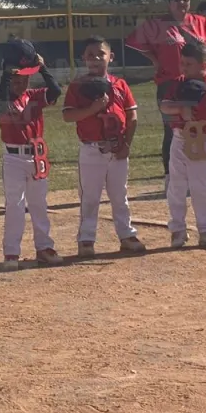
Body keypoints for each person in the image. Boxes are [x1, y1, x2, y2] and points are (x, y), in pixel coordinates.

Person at [126, 0, 206, 185]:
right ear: (169, 3)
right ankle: (171, 176)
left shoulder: (201, 22)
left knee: (204, 126)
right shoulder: (157, 25)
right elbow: (134, 41)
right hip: (170, 83)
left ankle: (200, 174)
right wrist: (155, 60)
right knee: (172, 129)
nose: (181, 2)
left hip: (200, 85)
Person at [62, 36, 145, 257]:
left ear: (111, 57)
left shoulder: (120, 84)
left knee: (120, 195)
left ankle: (126, 235)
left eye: (101, 54)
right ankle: (86, 239)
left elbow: (132, 116)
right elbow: (68, 116)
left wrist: (127, 144)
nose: (96, 59)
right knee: (90, 196)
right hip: (92, 149)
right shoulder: (78, 86)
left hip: (117, 148)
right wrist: (93, 108)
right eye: (91, 55)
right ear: (83, 59)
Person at [158, 40, 206, 250]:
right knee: (177, 185)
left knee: (201, 186)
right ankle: (177, 230)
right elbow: (164, 106)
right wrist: (180, 109)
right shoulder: (177, 83)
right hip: (180, 138)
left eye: (188, 64)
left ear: (204, 64)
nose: (183, 68)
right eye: (182, 63)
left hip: (203, 140)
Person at [0, 39, 63, 269]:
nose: (20, 83)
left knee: (39, 204)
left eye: (24, 79)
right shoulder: (1, 100)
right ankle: (11, 252)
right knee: (15, 204)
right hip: (13, 157)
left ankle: (44, 247)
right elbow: (2, 107)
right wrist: (6, 76)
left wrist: (42, 67)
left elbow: (56, 91)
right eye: (16, 80)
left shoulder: (33, 95)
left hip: (36, 157)